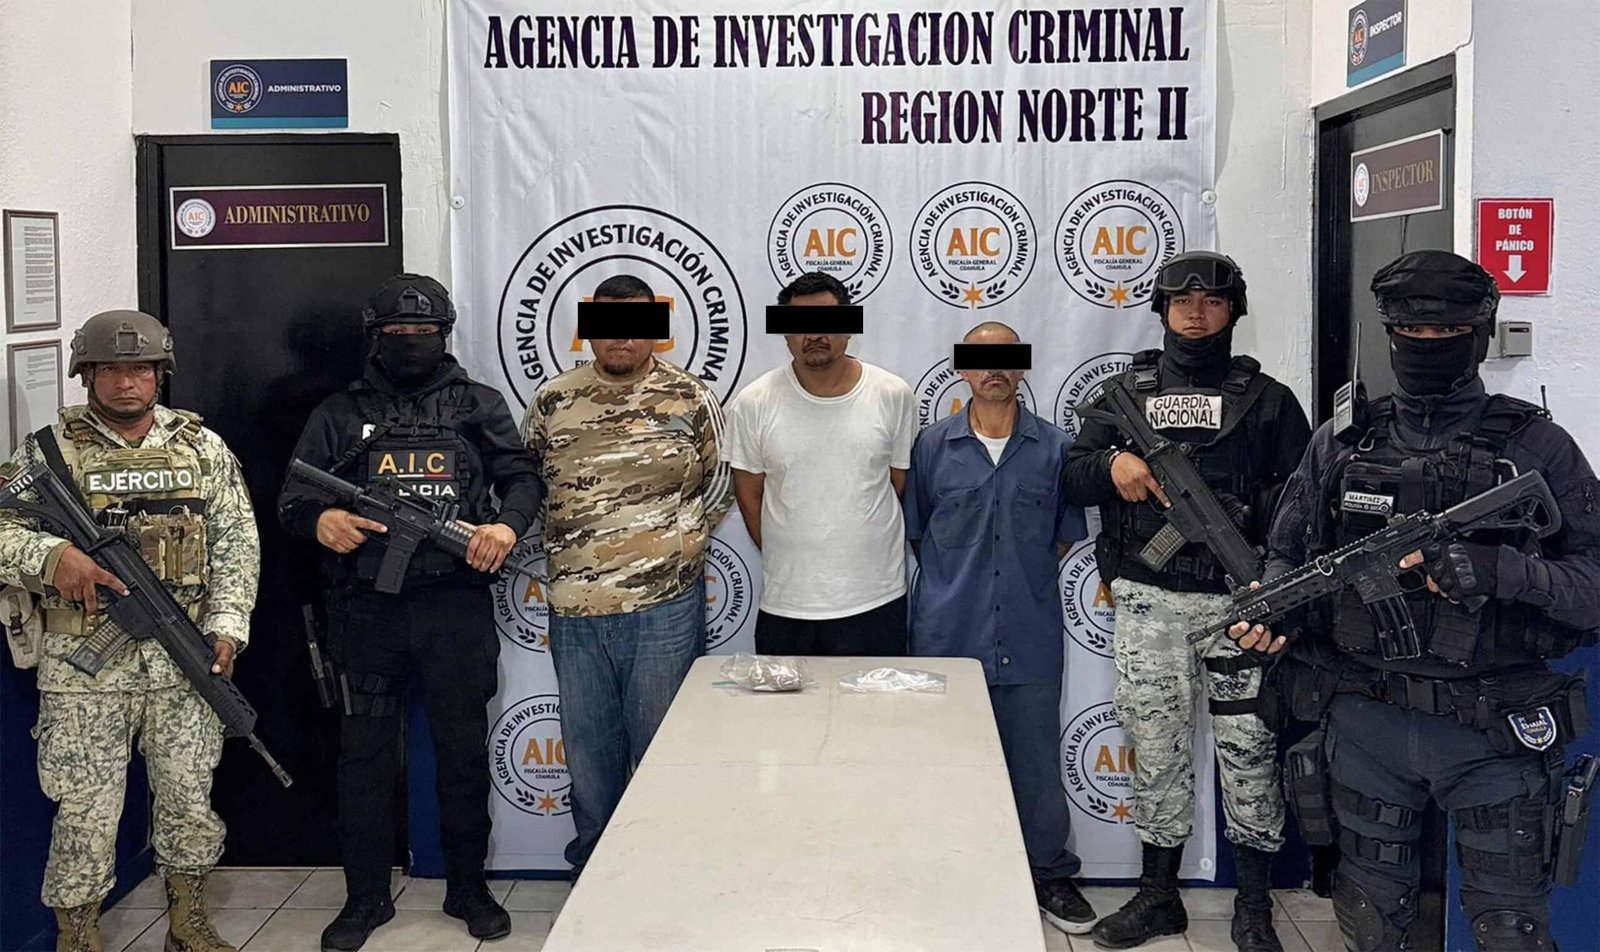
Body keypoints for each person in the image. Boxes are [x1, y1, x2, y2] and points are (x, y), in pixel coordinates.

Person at [1229, 251, 1600, 952]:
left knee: (1510, 931)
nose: (1426, 345)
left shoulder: (1538, 447)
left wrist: (1504, 571)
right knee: (1369, 921)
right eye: (1410, 333)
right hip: (1368, 721)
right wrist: (1273, 612)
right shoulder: (1341, 442)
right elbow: (1287, 555)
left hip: (1493, 730)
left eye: (1446, 333)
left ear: (1479, 335)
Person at [278, 274, 542, 951]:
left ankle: (468, 888)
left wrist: (506, 526)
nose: (411, 341)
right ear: (376, 337)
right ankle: (365, 897)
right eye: (398, 332)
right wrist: (321, 521)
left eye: (424, 332)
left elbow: (522, 476)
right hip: (367, 611)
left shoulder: (477, 405)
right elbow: (293, 498)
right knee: (363, 759)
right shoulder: (339, 413)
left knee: (462, 753)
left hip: (455, 606)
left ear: (444, 335)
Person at [1061, 251, 1310, 952]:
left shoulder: (1269, 401)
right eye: (1182, 302)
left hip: (1242, 602)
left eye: (1211, 301)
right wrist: (1113, 462)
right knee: (1156, 750)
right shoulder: (1125, 394)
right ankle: (1158, 898)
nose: (1196, 314)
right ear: (1162, 310)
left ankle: (1254, 906)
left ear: (1234, 310)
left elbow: (1303, 501)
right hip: (1150, 603)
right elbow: (1071, 476)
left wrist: (1258, 547)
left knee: (1250, 751)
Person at [0, 310, 259, 952]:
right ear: (86, 374)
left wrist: (227, 628)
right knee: (84, 811)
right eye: (111, 369)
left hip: (186, 661)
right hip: (81, 669)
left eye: (140, 369)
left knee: (189, 799)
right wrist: (52, 558)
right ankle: (78, 934)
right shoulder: (48, 452)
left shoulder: (202, 448)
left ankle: (187, 922)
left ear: (159, 374)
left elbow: (236, 545)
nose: (126, 383)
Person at [522, 273, 732, 876]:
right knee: (589, 757)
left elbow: (720, 483)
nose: (622, 338)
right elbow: (525, 485)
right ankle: (595, 873)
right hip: (576, 609)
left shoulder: (689, 397)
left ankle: (662, 873)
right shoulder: (553, 401)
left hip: (665, 607)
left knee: (665, 748)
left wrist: (676, 545)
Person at [904, 321, 1098, 935]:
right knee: (944, 764)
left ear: (1022, 367)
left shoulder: (1057, 449)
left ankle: (1048, 874)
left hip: (1028, 634)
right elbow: (920, 532)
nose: (993, 369)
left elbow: (1063, 536)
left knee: (1036, 764)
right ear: (961, 369)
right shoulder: (932, 447)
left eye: (1005, 358)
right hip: (947, 637)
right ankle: (948, 872)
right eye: (980, 358)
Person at [725, 271, 917, 656]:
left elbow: (897, 483)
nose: (814, 334)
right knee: (786, 701)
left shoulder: (892, 394)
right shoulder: (753, 403)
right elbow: (749, 497)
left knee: (875, 699)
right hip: (787, 605)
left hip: (876, 601)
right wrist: (794, 559)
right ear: (785, 333)